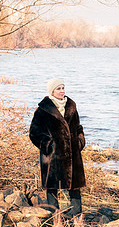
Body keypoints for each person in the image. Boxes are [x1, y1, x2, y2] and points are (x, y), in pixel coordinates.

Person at [29, 78, 86, 217]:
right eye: (58, 89)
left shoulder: (71, 107)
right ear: (52, 91)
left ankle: (76, 215)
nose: (62, 91)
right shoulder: (43, 110)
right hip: (52, 155)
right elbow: (34, 132)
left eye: (63, 88)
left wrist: (80, 141)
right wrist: (48, 145)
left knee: (74, 186)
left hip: (73, 153)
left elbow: (78, 127)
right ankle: (54, 216)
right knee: (52, 186)